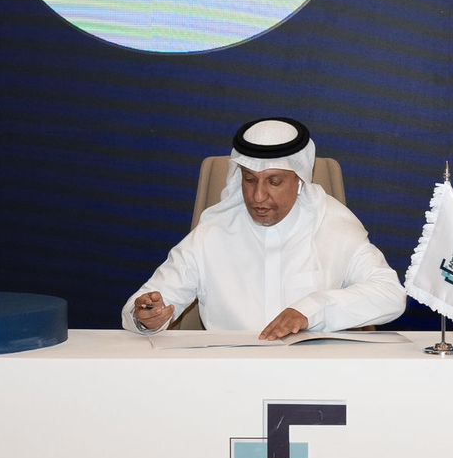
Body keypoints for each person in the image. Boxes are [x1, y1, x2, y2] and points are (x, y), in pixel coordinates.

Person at [123, 117, 405, 340]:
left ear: (299, 180)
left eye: (274, 182)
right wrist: (146, 316)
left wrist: (310, 310)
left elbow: (391, 295)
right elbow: (145, 303)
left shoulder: (333, 225)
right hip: (228, 375)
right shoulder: (213, 232)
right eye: (249, 180)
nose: (258, 196)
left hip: (313, 376)